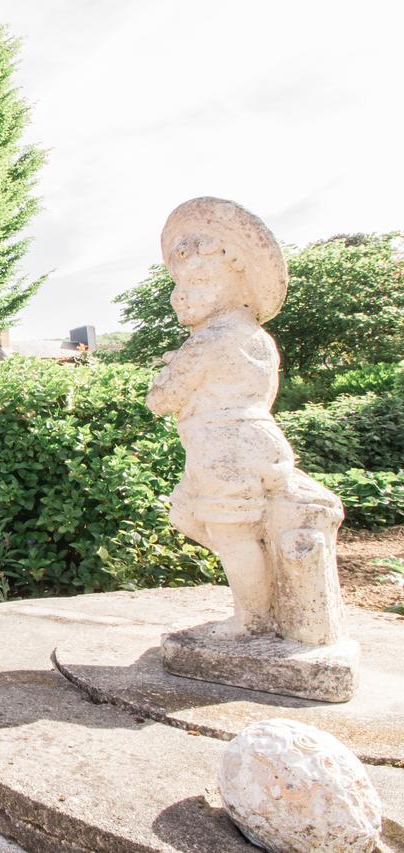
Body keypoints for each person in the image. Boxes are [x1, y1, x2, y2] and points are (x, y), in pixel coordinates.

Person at [148, 198, 343, 642]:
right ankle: (267, 592)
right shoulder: (252, 336)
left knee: (231, 534)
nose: (181, 295)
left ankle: (252, 621)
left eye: (199, 281)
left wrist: (168, 376)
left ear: (239, 284)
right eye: (180, 283)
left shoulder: (213, 338)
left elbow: (161, 398)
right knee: (192, 516)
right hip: (247, 441)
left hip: (225, 447)